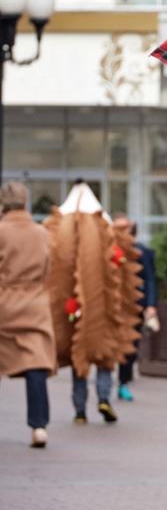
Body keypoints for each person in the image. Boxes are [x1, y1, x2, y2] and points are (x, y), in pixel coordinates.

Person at [0, 182, 56, 448]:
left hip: (3, 302)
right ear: (26, 202)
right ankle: (39, 427)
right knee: (35, 365)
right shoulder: (41, 232)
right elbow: (48, 268)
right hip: (34, 303)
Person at [113, 214, 159, 402]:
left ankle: (123, 382)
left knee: (130, 347)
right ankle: (107, 385)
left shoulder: (141, 252)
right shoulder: (108, 251)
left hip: (134, 307)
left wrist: (150, 305)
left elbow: (149, 280)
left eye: (125, 229)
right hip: (113, 307)